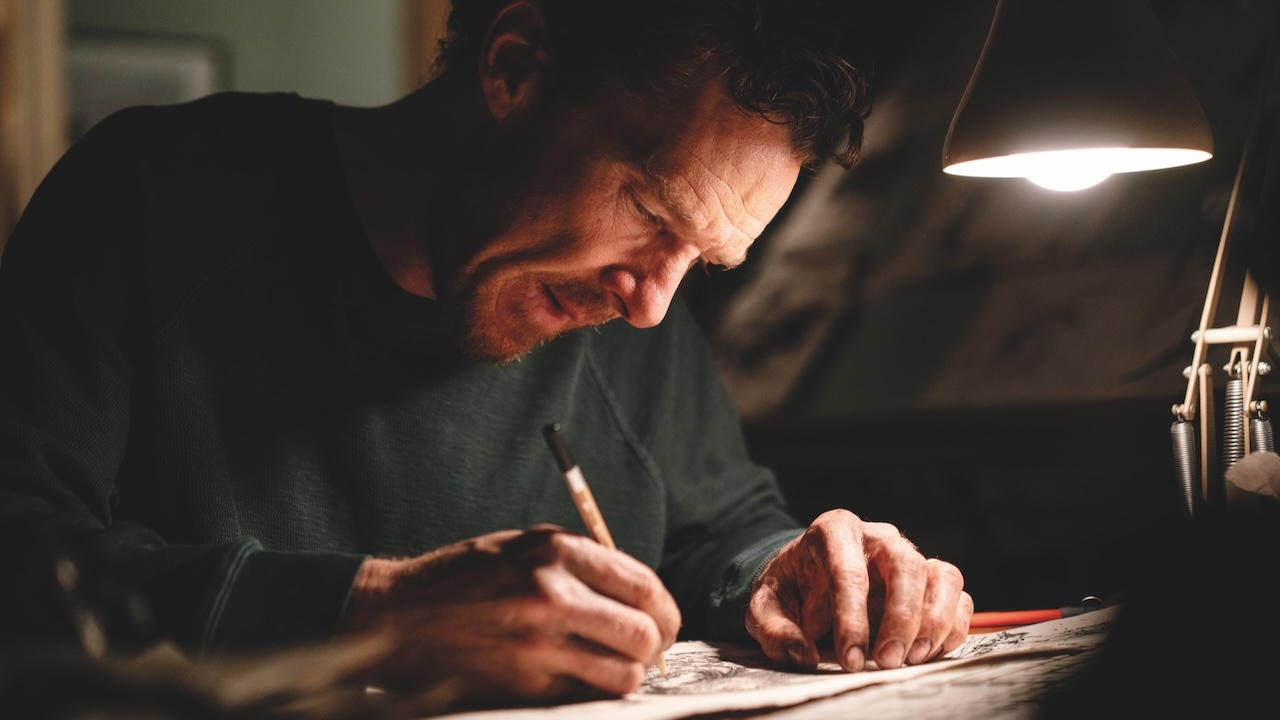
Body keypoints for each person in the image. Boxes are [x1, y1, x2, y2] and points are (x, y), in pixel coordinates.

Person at [0, 0, 973, 706]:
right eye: (648, 213)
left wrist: (801, 569)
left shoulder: (621, 296)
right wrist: (366, 611)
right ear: (515, 67)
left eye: (703, 259)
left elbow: (718, 528)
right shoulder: (152, 198)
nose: (649, 305)